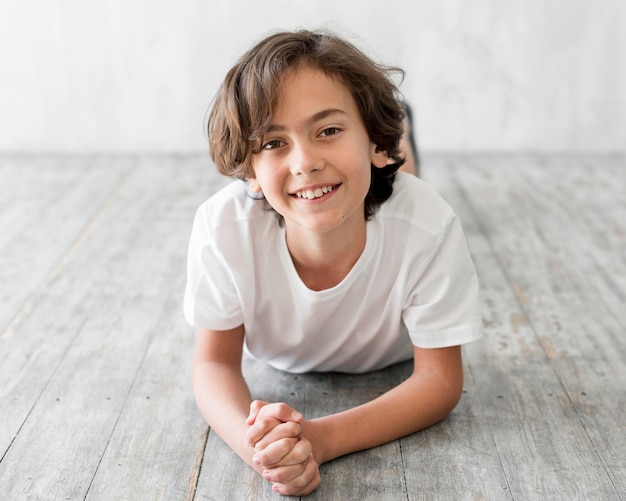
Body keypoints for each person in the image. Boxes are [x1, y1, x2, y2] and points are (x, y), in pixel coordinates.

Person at [184, 29, 482, 496]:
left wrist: (320, 440)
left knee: (398, 182)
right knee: (351, 179)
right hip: (363, 165)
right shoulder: (224, 230)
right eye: (273, 142)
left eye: (328, 130)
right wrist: (262, 450)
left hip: (390, 179)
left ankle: (399, 134)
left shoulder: (429, 225)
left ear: (373, 140)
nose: (304, 161)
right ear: (251, 172)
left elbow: (440, 380)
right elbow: (212, 365)